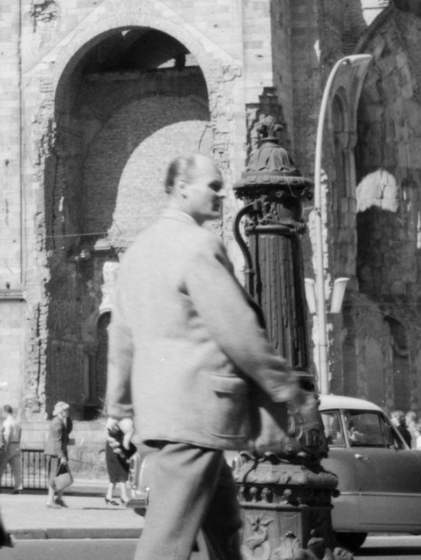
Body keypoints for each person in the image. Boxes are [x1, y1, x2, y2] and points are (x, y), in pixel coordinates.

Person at [105, 153, 322, 560]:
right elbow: (239, 330)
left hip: (164, 414)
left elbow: (120, 336)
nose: (222, 195)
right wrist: (288, 389)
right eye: (213, 186)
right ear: (182, 187)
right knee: (166, 541)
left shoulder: (138, 251)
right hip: (197, 414)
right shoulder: (198, 245)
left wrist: (118, 406)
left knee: (223, 526)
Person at [45, 400, 74, 508]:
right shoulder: (57, 422)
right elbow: (57, 442)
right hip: (55, 454)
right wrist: (62, 457)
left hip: (58, 453)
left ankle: (59, 498)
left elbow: (68, 430)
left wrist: (69, 418)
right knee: (53, 477)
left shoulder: (61, 420)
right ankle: (50, 501)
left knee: (61, 476)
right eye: (65, 410)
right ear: (60, 411)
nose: (67, 411)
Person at [0, 405, 23, 491]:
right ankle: (18, 487)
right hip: (16, 445)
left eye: (3, 412)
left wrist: (5, 447)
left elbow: (6, 435)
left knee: (0, 467)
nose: (2, 414)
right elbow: (20, 434)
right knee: (17, 469)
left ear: (5, 412)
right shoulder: (16, 422)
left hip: (8, 445)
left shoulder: (7, 422)